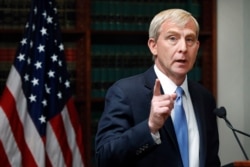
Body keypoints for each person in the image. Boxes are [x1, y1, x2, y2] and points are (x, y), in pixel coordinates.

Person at [95, 8, 221, 167]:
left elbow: (211, 161)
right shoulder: (125, 93)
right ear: (153, 46)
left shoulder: (205, 98)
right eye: (172, 38)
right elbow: (104, 158)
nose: (183, 48)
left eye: (189, 39)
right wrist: (150, 127)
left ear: (197, 47)